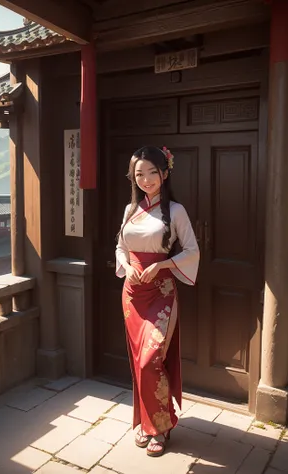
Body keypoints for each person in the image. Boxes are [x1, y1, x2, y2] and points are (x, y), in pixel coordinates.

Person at [115, 145, 200, 457]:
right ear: (133, 177)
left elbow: (192, 251)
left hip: (161, 293)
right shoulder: (129, 211)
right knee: (139, 361)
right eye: (140, 173)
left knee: (151, 360)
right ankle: (146, 422)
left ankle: (161, 426)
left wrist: (161, 265)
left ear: (165, 173)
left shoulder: (175, 211)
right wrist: (128, 266)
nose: (146, 179)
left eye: (153, 172)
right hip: (133, 292)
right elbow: (120, 248)